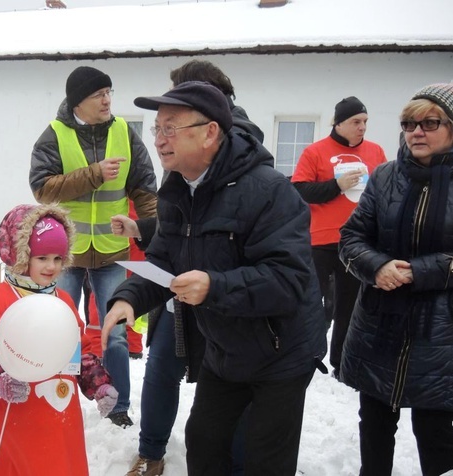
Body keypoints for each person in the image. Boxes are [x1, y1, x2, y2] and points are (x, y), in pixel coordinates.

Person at [102, 81, 326, 476]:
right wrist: (129, 298)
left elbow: (289, 279)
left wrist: (214, 285)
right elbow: (162, 258)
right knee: (205, 445)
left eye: (171, 128)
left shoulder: (269, 191)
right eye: (156, 129)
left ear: (210, 132)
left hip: (281, 353)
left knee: (263, 461)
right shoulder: (177, 192)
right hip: (224, 350)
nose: (159, 140)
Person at [113, 59, 262, 476]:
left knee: (230, 388)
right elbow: (179, 220)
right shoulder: (180, 152)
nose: (164, 131)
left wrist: (217, 284)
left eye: (174, 116)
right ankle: (151, 452)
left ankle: (233, 461)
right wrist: (144, 230)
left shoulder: (243, 156)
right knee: (162, 366)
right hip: (179, 288)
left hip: (228, 299)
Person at [338, 77, 453, 476]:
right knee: (375, 422)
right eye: (409, 123)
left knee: (435, 429)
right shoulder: (385, 176)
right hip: (381, 321)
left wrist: (422, 271)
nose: (416, 131)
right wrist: (376, 266)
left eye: (430, 123)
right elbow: (352, 237)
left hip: (443, 326)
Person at [29, 65, 158, 427]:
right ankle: (59, 397)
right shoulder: (53, 135)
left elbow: (146, 188)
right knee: (60, 328)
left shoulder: (125, 133)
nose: (107, 100)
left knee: (116, 333)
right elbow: (42, 188)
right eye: (99, 94)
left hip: (112, 250)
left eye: (109, 93)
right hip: (65, 254)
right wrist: (95, 174)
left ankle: (118, 407)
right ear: (78, 102)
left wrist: (152, 232)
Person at [0, 204, 119, 475]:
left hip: (60, 409)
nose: (51, 266)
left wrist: (100, 385)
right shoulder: (0, 299)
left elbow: (78, 351)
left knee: (63, 464)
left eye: (58, 259)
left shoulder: (63, 300)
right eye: (42, 258)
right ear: (21, 256)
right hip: (17, 413)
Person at [292, 96, 387, 377]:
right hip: (320, 241)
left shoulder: (376, 152)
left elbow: (385, 192)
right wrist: (336, 185)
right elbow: (300, 191)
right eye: (356, 122)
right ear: (339, 123)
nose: (362, 127)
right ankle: (303, 355)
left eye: (365, 122)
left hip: (358, 241)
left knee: (350, 305)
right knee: (314, 302)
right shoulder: (316, 152)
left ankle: (342, 362)